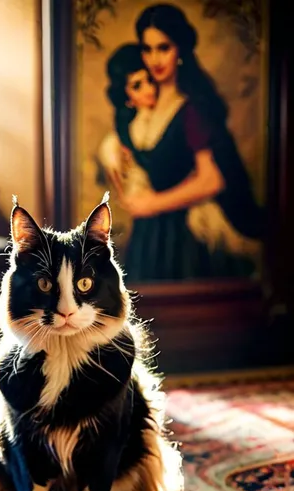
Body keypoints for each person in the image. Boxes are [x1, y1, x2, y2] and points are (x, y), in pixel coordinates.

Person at [106, 4, 262, 282]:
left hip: (182, 237)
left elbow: (212, 180)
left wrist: (151, 204)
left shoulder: (191, 109)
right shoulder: (141, 104)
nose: (155, 59)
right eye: (147, 49)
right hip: (149, 232)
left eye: (164, 48)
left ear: (180, 50)